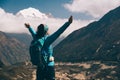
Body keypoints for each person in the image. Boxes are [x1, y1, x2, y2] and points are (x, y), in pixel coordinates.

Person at [25, 16, 73, 80]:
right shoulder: (48, 39)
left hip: (40, 65)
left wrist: (29, 27)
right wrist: (68, 23)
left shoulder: (36, 38)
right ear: (46, 31)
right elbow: (58, 32)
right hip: (49, 66)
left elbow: (33, 33)